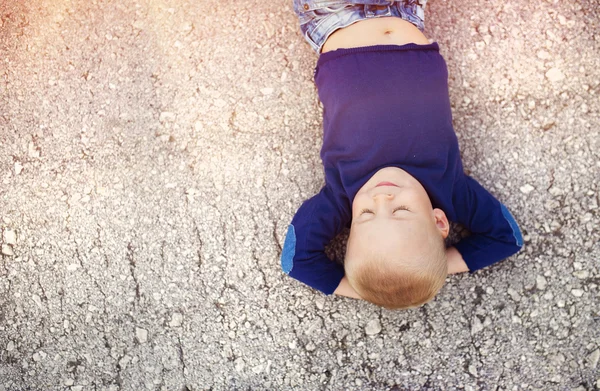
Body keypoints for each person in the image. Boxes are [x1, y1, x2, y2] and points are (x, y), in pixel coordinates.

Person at [280, 0, 523, 309]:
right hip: (406, 13)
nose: (381, 199)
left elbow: (296, 261)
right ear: (438, 222)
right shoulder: (452, 194)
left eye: (366, 216)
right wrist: (428, 268)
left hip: (335, 16)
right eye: (401, 212)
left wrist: (365, 291)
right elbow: (506, 239)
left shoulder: (341, 198)